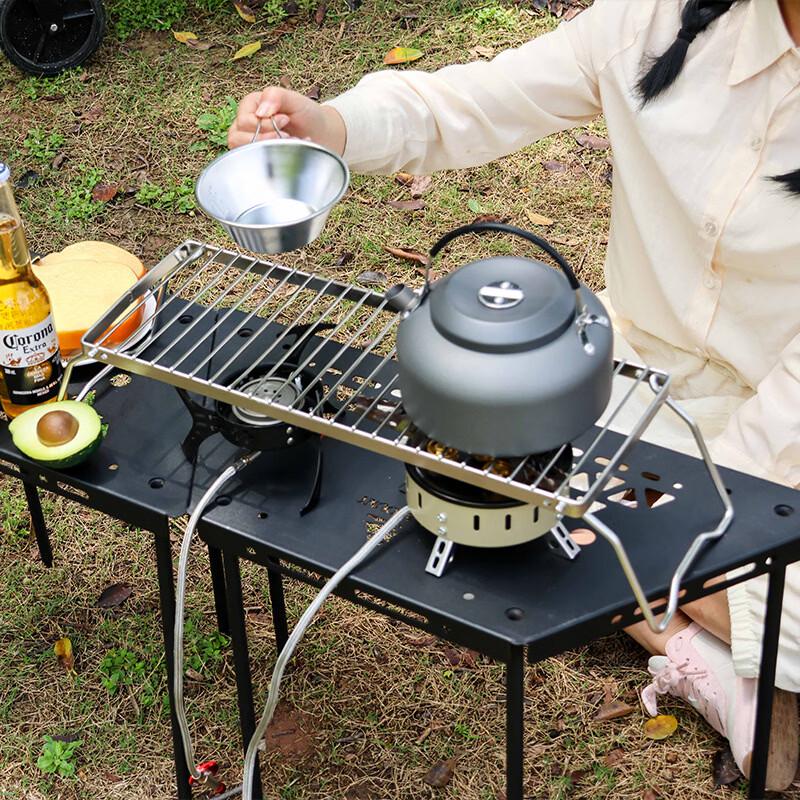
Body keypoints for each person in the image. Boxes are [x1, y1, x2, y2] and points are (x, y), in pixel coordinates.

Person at [228, 0, 800, 789]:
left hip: (786, 434)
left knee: (571, 519)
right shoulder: (659, 20)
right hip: (635, 380)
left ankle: (670, 606)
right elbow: (476, 100)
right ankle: (710, 642)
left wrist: (695, 520)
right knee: (499, 466)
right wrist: (327, 125)